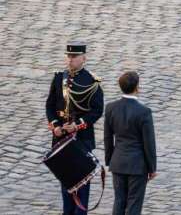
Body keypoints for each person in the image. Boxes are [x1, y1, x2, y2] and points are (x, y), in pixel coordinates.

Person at [45, 43, 104, 215]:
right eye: (68, 56)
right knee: (66, 183)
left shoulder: (91, 82)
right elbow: (50, 106)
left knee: (82, 183)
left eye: (74, 57)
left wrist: (77, 125)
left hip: (81, 139)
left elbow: (97, 110)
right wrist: (55, 126)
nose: (70, 60)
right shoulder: (58, 78)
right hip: (61, 138)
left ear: (83, 58)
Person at [104, 71, 158, 214]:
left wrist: (110, 160)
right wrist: (152, 167)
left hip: (118, 162)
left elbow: (108, 138)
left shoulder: (110, 108)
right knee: (134, 203)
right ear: (137, 87)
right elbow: (149, 143)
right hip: (137, 165)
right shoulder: (144, 112)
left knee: (119, 201)